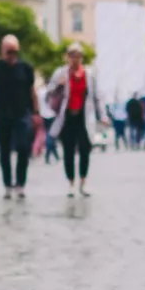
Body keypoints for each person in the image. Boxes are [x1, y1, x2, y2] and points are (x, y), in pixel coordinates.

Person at [45, 43, 99, 196]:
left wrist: (102, 115)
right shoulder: (61, 73)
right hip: (67, 117)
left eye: (77, 56)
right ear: (67, 57)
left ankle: (83, 182)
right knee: (68, 151)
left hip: (84, 117)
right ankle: (71, 183)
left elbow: (96, 96)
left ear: (81, 57)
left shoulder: (89, 74)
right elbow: (49, 93)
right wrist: (58, 87)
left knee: (84, 149)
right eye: (72, 55)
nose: (75, 59)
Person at [0, 34, 36, 198]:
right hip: (2, 113)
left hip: (22, 113)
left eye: (14, 51)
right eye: (8, 52)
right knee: (4, 151)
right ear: (2, 51)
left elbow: (32, 91)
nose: (11, 55)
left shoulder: (26, 68)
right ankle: (7, 184)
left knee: (23, 148)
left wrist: (36, 112)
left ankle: (20, 183)